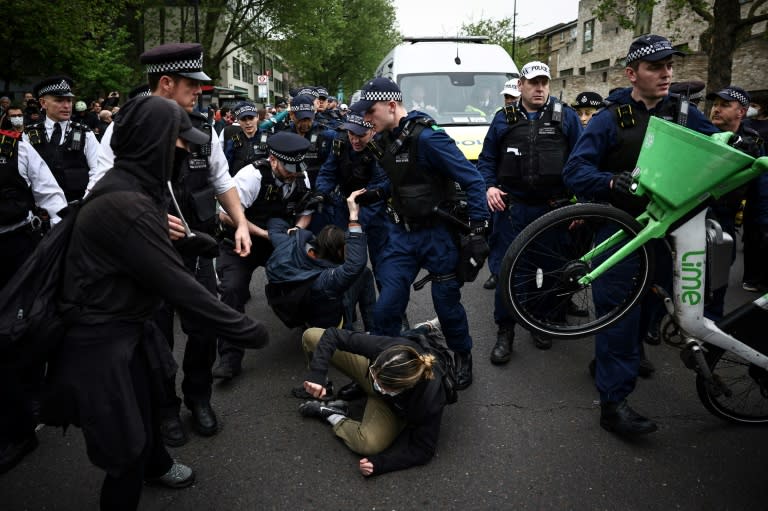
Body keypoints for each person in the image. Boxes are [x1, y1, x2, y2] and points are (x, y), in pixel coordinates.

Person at [45, 95, 269, 511]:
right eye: (178, 143)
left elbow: (169, 239)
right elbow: (177, 284)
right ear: (154, 144)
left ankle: (157, 462)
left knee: (147, 403)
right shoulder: (125, 203)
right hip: (102, 345)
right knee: (124, 450)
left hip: (129, 330)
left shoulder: (134, 189)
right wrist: (246, 329)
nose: (184, 152)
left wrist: (197, 240)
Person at [90, 42, 252, 447]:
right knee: (155, 334)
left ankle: (199, 398)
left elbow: (221, 179)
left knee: (203, 326)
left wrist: (241, 222)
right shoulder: (124, 127)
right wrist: (145, 216)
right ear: (166, 83)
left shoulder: (203, 125)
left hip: (196, 247)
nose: (199, 91)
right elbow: (99, 188)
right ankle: (165, 408)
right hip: (148, 254)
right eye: (191, 84)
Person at [563, 34, 718, 436]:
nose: (666, 73)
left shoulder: (684, 114)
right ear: (632, 73)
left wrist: (741, 141)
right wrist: (613, 184)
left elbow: (717, 148)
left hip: (667, 235)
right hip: (620, 234)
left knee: (653, 306)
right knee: (619, 315)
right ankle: (613, 404)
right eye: (655, 66)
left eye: (670, 65)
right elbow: (575, 172)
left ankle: (615, 358)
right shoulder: (609, 118)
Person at [352, 77, 490, 389]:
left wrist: (479, 229)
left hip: (437, 236)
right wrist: (376, 193)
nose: (366, 118)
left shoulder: (429, 138)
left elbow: (473, 180)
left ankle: (462, 354)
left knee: (446, 303)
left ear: (390, 105)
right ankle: (384, 364)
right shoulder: (388, 138)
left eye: (370, 111)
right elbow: (405, 179)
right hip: (401, 237)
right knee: (387, 306)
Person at [478, 61, 583, 361]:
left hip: (553, 212)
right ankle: (505, 331)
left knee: (551, 272)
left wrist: (580, 201)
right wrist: (489, 187)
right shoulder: (503, 119)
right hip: (512, 210)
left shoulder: (566, 117)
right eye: (533, 82)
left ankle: (541, 322)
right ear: (520, 85)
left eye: (544, 83)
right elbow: (486, 161)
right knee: (507, 272)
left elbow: (581, 161)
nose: (539, 88)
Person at [212, 131, 314, 379]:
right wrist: (261, 232)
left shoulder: (301, 175)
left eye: (298, 168)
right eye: (288, 167)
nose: (294, 173)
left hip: (276, 240)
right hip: (241, 238)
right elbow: (225, 214)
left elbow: (306, 210)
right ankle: (230, 357)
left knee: (302, 280)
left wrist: (297, 231)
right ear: (273, 160)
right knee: (233, 290)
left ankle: (309, 331)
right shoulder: (251, 176)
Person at [0, 122, 67, 476]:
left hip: (14, 248)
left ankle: (20, 427)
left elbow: (50, 196)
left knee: (18, 331)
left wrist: (62, 248)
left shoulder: (15, 147)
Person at [298, 325, 449, 477]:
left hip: (392, 407)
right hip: (382, 377)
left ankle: (331, 414)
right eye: (374, 372)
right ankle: (325, 388)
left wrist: (381, 464)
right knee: (312, 336)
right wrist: (318, 374)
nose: (374, 381)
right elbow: (333, 335)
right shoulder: (387, 349)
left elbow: (423, 450)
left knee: (367, 444)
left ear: (400, 388)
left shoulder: (429, 400)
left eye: (380, 384)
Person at [265, 189, 369, 329]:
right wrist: (354, 217)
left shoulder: (290, 245)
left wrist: (295, 229)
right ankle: (364, 329)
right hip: (329, 324)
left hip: (302, 307)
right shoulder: (325, 281)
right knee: (364, 273)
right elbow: (355, 265)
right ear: (337, 252)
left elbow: (274, 225)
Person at [705, 87, 767, 294]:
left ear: (741, 112)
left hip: (724, 220)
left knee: (717, 280)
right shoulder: (702, 133)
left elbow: (760, 189)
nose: (716, 109)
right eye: (715, 105)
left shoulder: (752, 143)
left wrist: (761, 226)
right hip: (690, 216)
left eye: (724, 105)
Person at [23, 76, 102, 202]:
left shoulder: (85, 134)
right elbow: (22, 175)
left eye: (69, 101)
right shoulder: (28, 135)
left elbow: (98, 170)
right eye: (59, 100)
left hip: (78, 205)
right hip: (41, 210)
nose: (67, 106)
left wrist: (86, 200)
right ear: (43, 103)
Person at [222, 101, 261, 175]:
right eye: (243, 119)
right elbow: (225, 169)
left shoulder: (269, 139)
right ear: (238, 120)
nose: (248, 123)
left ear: (257, 117)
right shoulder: (233, 142)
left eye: (251, 118)